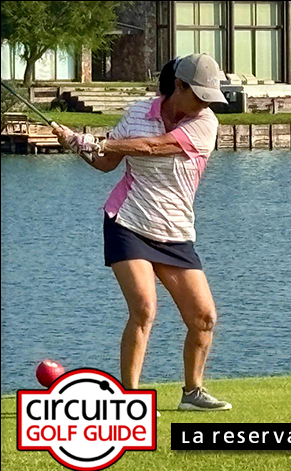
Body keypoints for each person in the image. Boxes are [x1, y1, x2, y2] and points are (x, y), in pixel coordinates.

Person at [53, 54, 231, 412]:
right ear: (179, 86)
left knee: (204, 318)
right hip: (128, 223)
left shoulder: (205, 123)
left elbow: (154, 147)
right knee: (144, 309)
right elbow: (105, 164)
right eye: (201, 95)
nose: (206, 103)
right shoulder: (138, 113)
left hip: (175, 230)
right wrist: (76, 144)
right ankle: (129, 399)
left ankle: (192, 393)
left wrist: (97, 142)